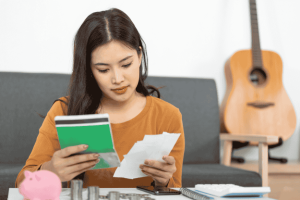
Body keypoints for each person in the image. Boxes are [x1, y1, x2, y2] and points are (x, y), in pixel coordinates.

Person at [15, 8, 185, 188]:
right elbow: (21, 185)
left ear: (139, 56)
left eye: (126, 64)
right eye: (103, 69)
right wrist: (50, 170)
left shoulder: (168, 115)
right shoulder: (64, 111)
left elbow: (175, 189)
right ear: (89, 70)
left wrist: (164, 180)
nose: (117, 79)